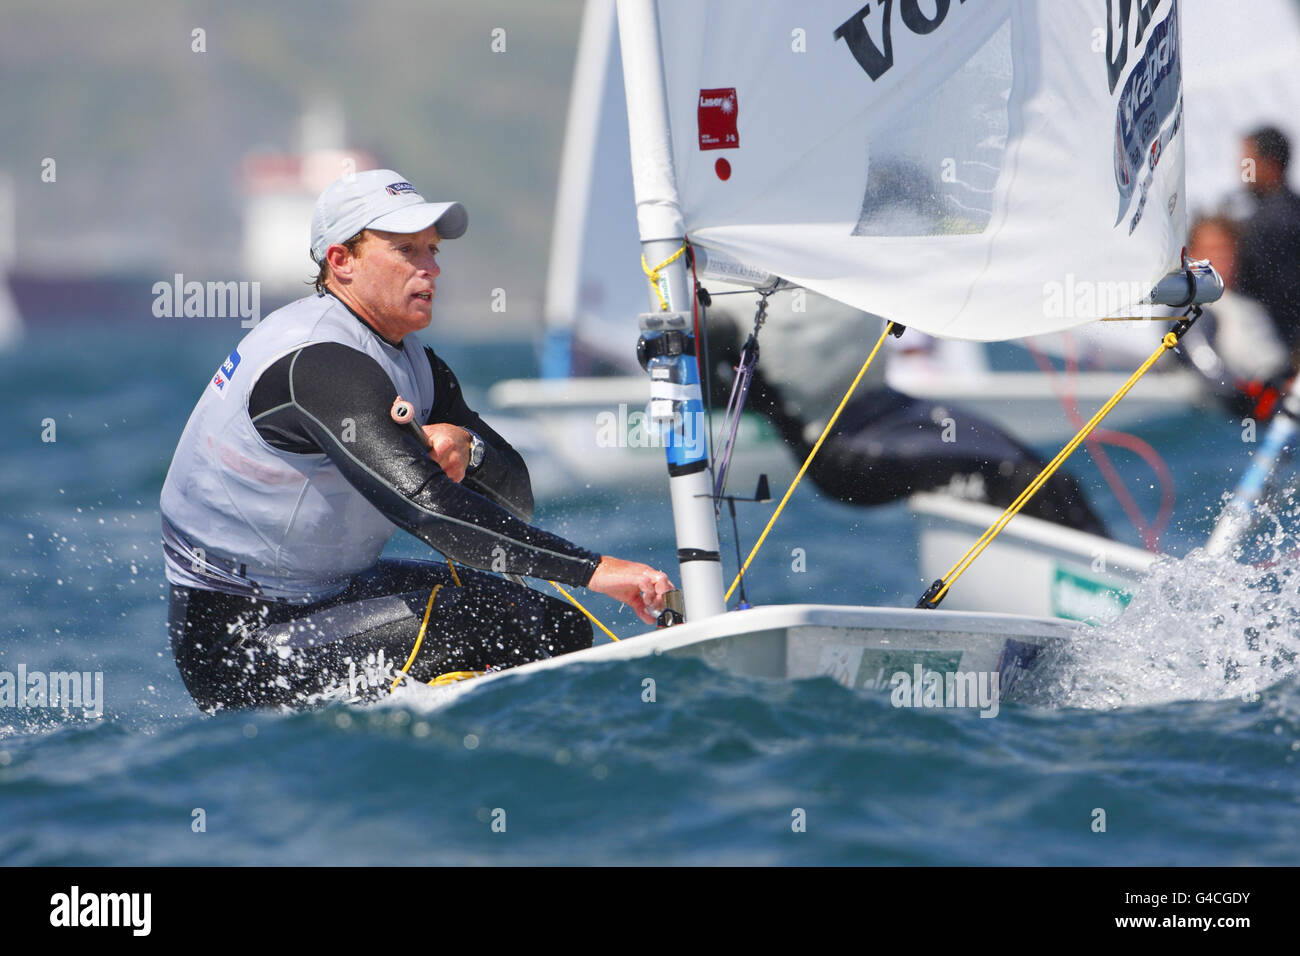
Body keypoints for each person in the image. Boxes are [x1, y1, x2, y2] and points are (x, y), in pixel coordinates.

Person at [161, 169, 673, 713]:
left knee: (555, 625)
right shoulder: (318, 362)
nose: (430, 267)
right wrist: (597, 571)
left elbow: (514, 501)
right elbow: (427, 513)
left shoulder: (414, 362)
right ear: (341, 262)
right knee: (501, 628)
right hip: (241, 644)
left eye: (432, 249)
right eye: (406, 249)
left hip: (329, 594)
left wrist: (467, 450)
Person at [702, 283, 1107, 535]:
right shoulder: (728, 295)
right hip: (840, 449)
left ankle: (1116, 580)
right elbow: (704, 368)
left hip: (891, 406)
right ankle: (1093, 596)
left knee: (1048, 476)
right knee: (1015, 477)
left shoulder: (827, 240)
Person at [1179, 213, 1291, 418]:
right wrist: (1250, 397)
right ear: (1192, 256)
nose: (1220, 257)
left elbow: (1281, 364)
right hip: (1230, 414)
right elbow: (1207, 366)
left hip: (1273, 403)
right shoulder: (1195, 307)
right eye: (1211, 250)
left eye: (1226, 249)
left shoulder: (1252, 306)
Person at [1235, 126, 1300, 367]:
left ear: (1269, 163)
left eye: (1247, 163)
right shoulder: (1287, 211)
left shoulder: (1273, 222)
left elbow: (1284, 297)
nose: (1241, 170)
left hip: (1279, 352)